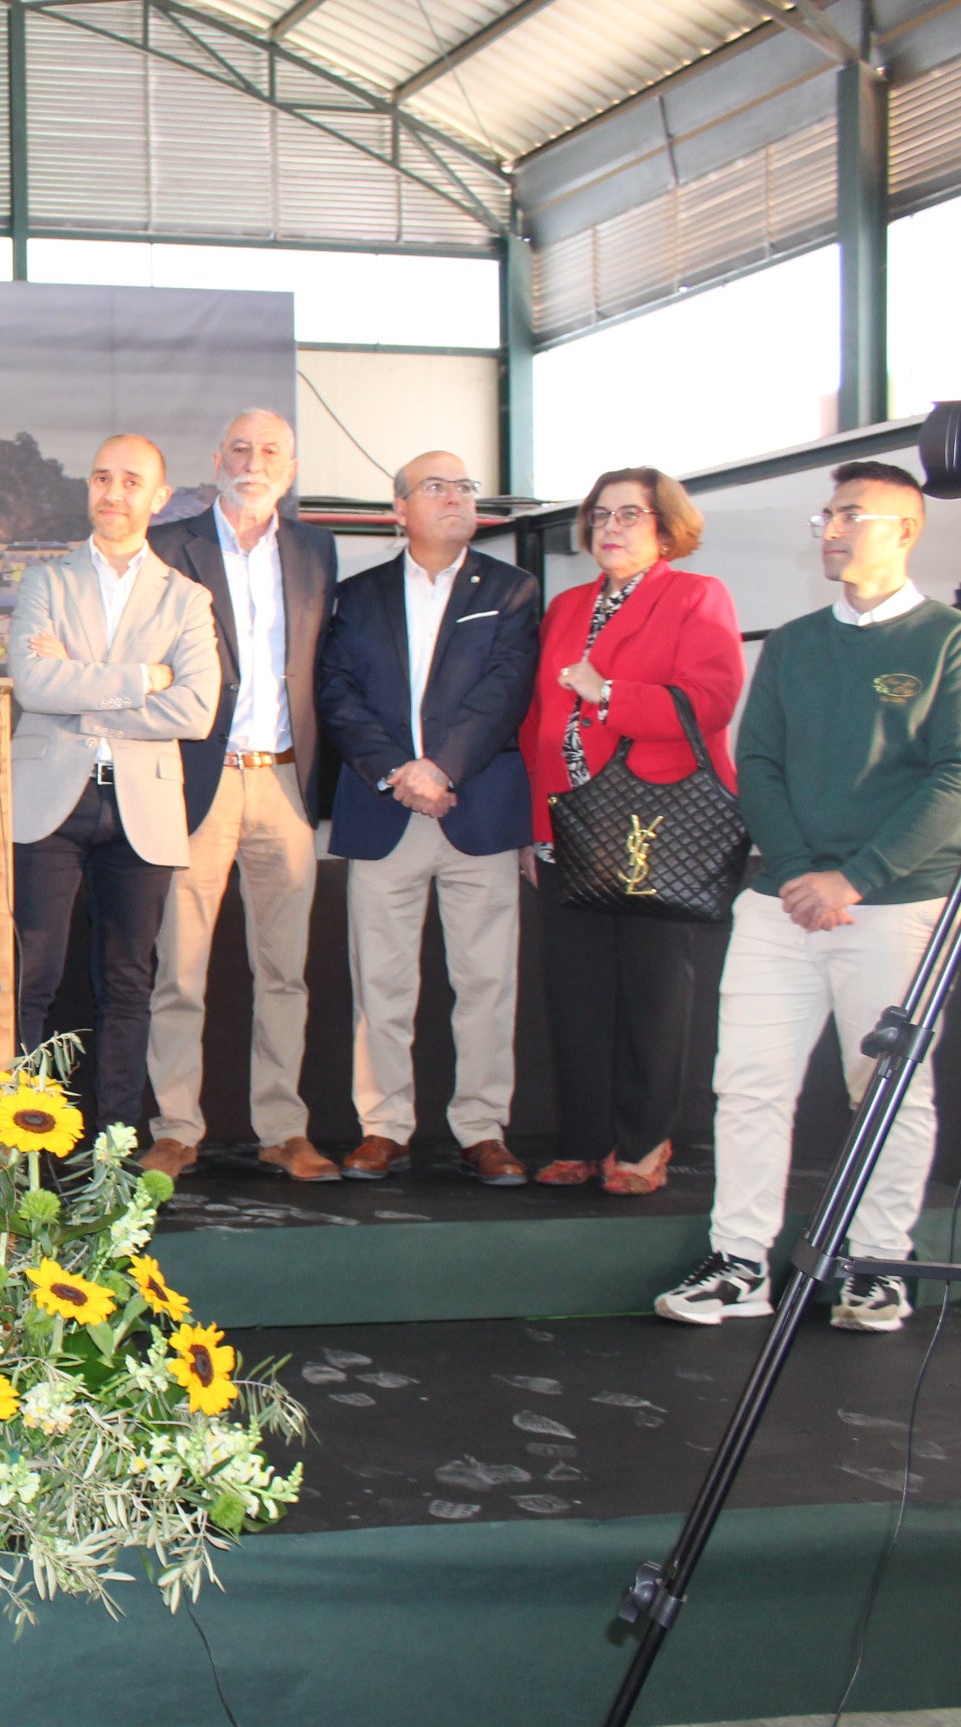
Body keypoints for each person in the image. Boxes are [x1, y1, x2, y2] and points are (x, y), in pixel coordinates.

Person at [657, 461, 961, 1331]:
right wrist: (796, 871)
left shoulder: (946, 640)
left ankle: (875, 1266)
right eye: (826, 514)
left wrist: (854, 877)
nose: (830, 528)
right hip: (778, 900)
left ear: (905, 530)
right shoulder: (792, 642)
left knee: (888, 1087)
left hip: (897, 904)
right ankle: (739, 1263)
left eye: (851, 514)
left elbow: (954, 775)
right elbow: (756, 763)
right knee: (747, 1084)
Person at [314, 452, 542, 1183]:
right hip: (384, 811)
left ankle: (482, 1125)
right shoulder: (356, 595)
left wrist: (440, 769)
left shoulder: (511, 589)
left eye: (465, 487)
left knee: (485, 982)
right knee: (381, 983)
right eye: (435, 486)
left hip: (476, 809)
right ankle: (384, 1126)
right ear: (398, 510)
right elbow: (338, 693)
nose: (454, 497)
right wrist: (397, 772)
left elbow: (506, 690)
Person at [522, 468, 743, 1194]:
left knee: (652, 990)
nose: (611, 527)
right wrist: (536, 825)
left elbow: (708, 702)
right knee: (575, 990)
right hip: (570, 828)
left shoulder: (696, 596)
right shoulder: (568, 605)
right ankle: (583, 1140)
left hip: (657, 822)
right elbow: (537, 725)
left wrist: (610, 694)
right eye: (600, 514)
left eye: (630, 514)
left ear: (664, 525)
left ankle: (644, 1144)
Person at [142, 409, 339, 1180]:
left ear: (290, 471)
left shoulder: (316, 551)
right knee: (180, 967)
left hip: (286, 780)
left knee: (285, 969)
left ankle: (283, 1127)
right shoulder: (169, 547)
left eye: (271, 453)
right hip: (199, 778)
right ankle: (176, 1127)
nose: (254, 462)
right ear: (216, 458)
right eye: (242, 449)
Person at [6, 434, 218, 1134]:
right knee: (30, 981)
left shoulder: (187, 598)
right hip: (49, 807)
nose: (113, 493)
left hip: (143, 808)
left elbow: (195, 709)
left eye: (131, 481)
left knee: (128, 986)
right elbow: (33, 682)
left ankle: (115, 1151)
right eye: (101, 477)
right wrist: (141, 681)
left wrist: (81, 688)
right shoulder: (46, 580)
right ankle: (21, 1149)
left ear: (159, 498)